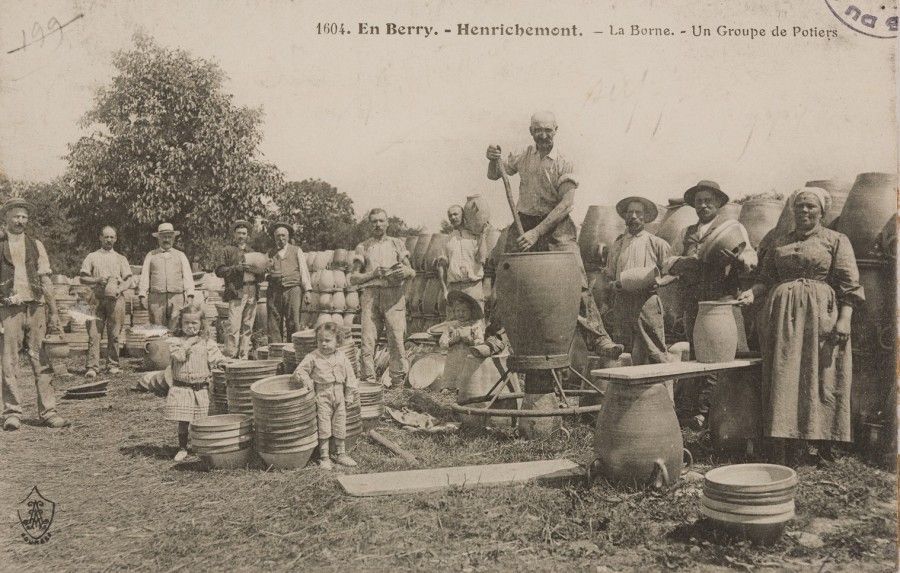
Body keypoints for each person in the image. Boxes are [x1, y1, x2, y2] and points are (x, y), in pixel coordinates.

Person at [737, 187, 862, 465]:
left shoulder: (836, 240)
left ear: (821, 212)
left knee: (822, 375)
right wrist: (753, 293)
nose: (804, 211)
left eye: (810, 207)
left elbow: (849, 285)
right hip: (781, 317)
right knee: (784, 374)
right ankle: (786, 442)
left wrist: (844, 319)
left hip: (820, 316)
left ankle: (825, 443)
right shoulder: (779, 241)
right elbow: (765, 278)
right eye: (799, 207)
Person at [485, 111, 622, 357]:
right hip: (523, 223)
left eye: (548, 130)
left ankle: (598, 338)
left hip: (556, 225)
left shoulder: (564, 161)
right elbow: (495, 174)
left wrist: (537, 233)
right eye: (538, 130)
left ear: (556, 130)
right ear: (531, 132)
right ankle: (495, 337)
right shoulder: (523, 156)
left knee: (576, 278)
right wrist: (491, 158)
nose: (543, 135)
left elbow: (566, 204)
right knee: (506, 276)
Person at [663, 180, 756, 429]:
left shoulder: (732, 228)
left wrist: (737, 259)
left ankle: (718, 413)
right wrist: (682, 263)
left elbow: (750, 257)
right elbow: (668, 261)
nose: (703, 205)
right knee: (700, 353)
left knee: (725, 354)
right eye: (699, 201)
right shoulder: (686, 233)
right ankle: (697, 412)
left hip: (722, 299)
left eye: (708, 201)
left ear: (718, 204)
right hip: (694, 301)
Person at [0, 198, 68, 430]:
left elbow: (46, 278)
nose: (20, 221)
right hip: (9, 309)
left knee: (41, 359)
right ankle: (12, 413)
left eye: (24, 217)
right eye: (16, 216)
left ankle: (48, 411)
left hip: (36, 306)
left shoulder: (36, 244)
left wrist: (53, 312)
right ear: (6, 217)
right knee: (10, 361)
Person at [349, 208, 416, 387]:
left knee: (396, 338)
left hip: (394, 294)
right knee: (368, 340)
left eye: (381, 221)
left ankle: (398, 383)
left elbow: (411, 271)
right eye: (374, 222)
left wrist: (404, 271)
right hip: (370, 295)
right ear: (369, 224)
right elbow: (353, 278)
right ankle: (368, 382)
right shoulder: (362, 247)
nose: (378, 225)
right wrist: (372, 274)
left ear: (387, 223)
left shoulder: (397, 244)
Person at [604, 197, 672, 366]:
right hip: (622, 301)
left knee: (655, 350)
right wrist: (613, 286)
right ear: (625, 216)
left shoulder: (657, 243)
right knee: (622, 350)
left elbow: (672, 272)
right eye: (629, 212)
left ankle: (664, 390)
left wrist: (659, 282)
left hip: (647, 301)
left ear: (645, 217)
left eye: (638, 212)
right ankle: (626, 391)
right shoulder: (618, 244)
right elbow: (609, 275)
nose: (633, 216)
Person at [165, 303, 228, 462]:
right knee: (184, 419)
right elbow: (179, 356)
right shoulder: (175, 342)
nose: (190, 326)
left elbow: (216, 357)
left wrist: (222, 363)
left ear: (201, 324)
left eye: (194, 323)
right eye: (186, 323)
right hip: (182, 387)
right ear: (180, 323)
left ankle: (201, 445)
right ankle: (182, 447)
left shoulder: (207, 342)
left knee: (202, 419)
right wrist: (188, 343)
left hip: (201, 387)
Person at [292, 321, 359, 469]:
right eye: (320, 340)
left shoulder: (342, 357)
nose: (323, 344)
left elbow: (351, 378)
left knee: (340, 423)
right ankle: (324, 457)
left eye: (328, 341)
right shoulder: (313, 357)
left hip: (339, 393)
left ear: (338, 341)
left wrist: (349, 395)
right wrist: (307, 380)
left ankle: (341, 454)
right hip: (322, 394)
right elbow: (299, 371)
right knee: (324, 424)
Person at [79, 226, 133, 378]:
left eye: (112, 237)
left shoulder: (120, 258)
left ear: (115, 239)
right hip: (95, 298)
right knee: (94, 333)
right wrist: (97, 279)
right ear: (100, 238)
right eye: (106, 237)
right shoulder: (92, 257)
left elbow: (129, 280)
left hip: (116, 298)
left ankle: (113, 364)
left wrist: (119, 289)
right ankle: (92, 367)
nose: (109, 240)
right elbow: (83, 278)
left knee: (115, 332)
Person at [215, 220, 264, 359]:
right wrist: (235, 269)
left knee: (248, 325)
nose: (241, 236)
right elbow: (219, 270)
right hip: (237, 291)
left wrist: (259, 270)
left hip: (252, 289)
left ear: (247, 235)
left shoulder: (253, 252)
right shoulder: (227, 250)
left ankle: (243, 354)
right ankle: (230, 354)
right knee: (234, 326)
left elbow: (261, 273)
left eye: (244, 233)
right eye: (239, 233)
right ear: (234, 235)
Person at [138, 222, 195, 331]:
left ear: (173, 238)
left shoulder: (180, 255)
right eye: (164, 237)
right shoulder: (151, 255)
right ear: (158, 238)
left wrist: (190, 295)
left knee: (176, 326)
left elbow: (187, 276)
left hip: (177, 297)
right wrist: (142, 295)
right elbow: (145, 276)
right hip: (156, 298)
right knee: (157, 327)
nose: (167, 240)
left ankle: (174, 347)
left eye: (169, 237)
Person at [266, 223, 312, 344]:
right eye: (278, 236)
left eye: (283, 235)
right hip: (274, 291)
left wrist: (307, 290)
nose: (281, 238)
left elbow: (304, 270)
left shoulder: (296, 250)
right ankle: (276, 352)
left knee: (293, 321)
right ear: (274, 237)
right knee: (273, 322)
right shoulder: (270, 253)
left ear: (288, 236)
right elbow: (265, 271)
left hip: (293, 289)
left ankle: (293, 351)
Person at [435, 205, 489, 306]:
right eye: (450, 215)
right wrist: (445, 290)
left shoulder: (475, 237)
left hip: (473, 287)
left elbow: (481, 259)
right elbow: (441, 266)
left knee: (476, 321)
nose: (452, 218)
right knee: (454, 321)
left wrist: (483, 235)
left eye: (455, 214)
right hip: (454, 289)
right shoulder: (447, 240)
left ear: (463, 215)